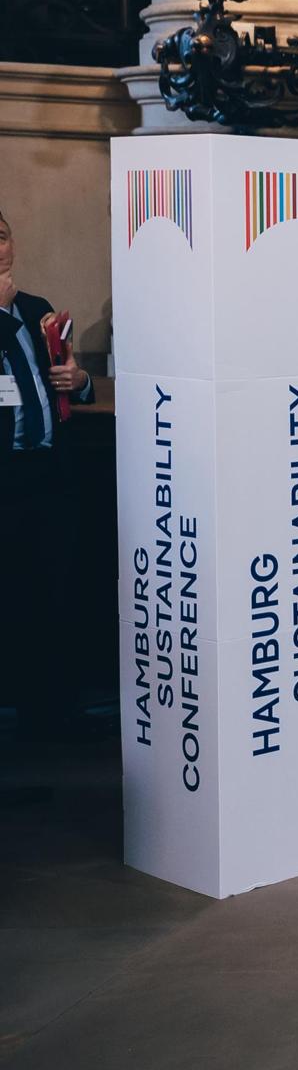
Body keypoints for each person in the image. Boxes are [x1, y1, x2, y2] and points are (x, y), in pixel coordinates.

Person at [1, 207, 96, 736]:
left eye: (1, 237)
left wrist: (79, 380)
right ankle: (23, 712)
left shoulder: (36, 308)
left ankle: (59, 709)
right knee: (14, 595)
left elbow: (64, 379)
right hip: (6, 479)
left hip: (51, 472)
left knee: (58, 590)